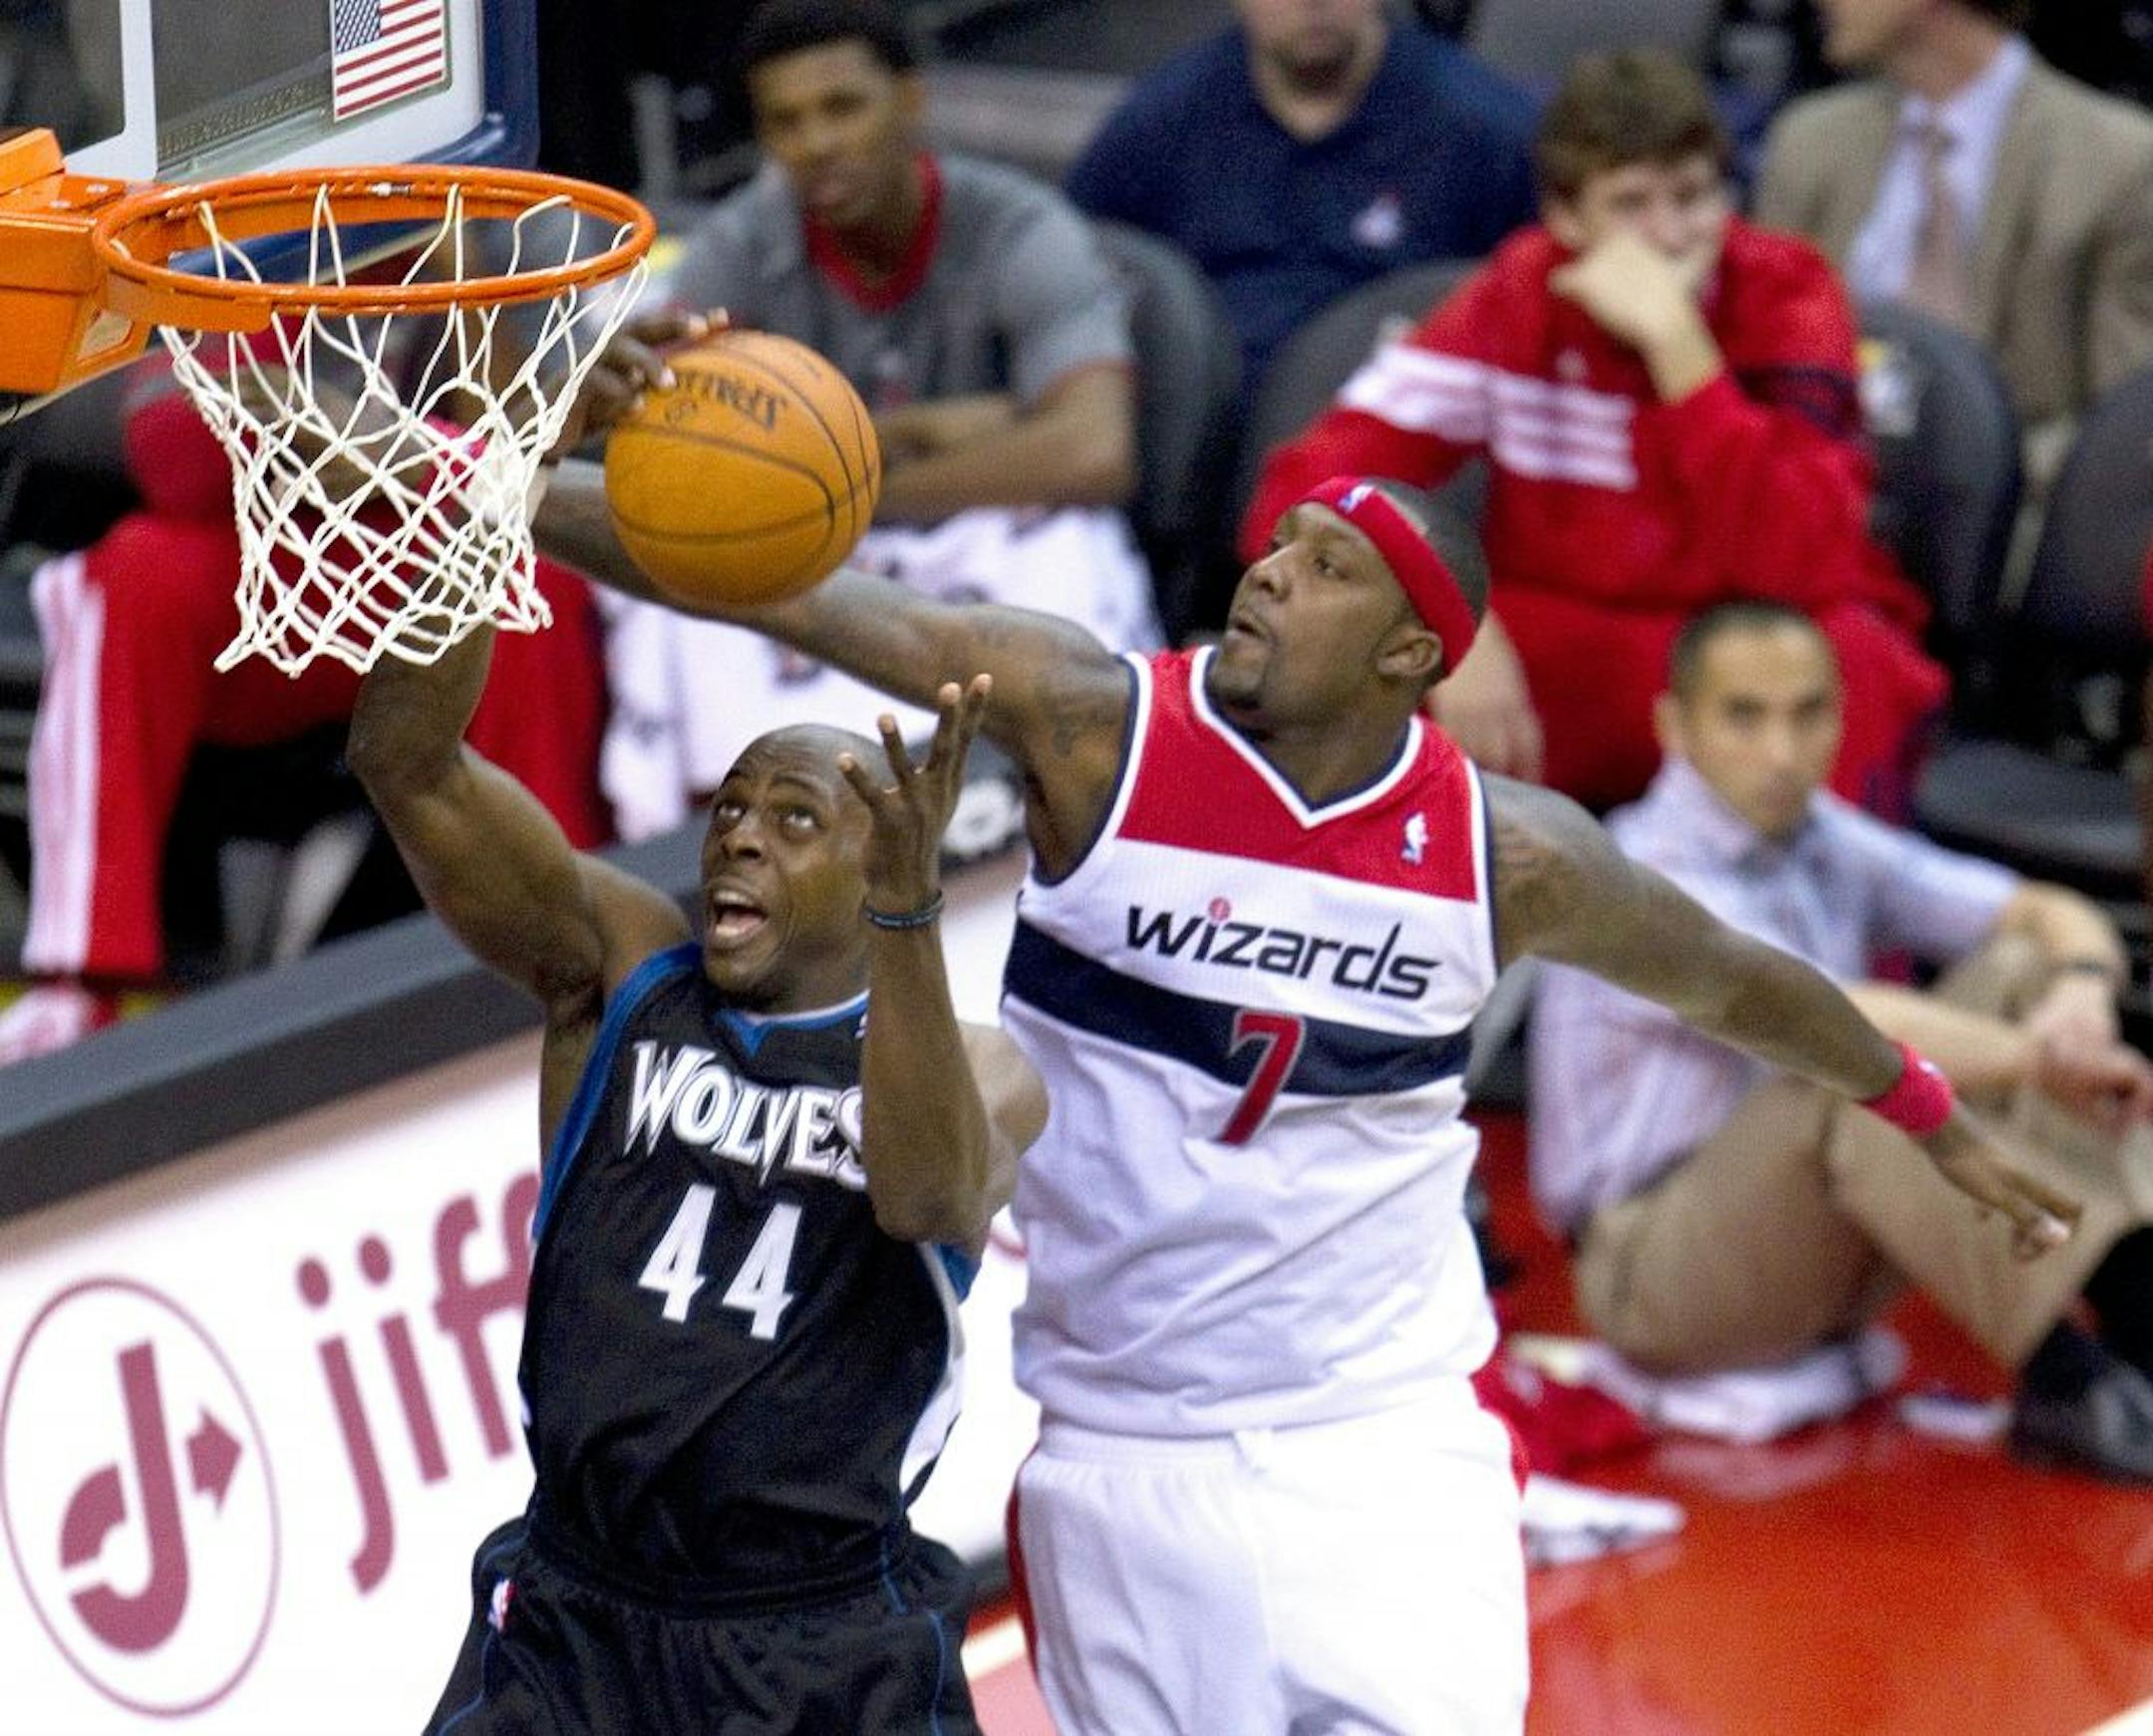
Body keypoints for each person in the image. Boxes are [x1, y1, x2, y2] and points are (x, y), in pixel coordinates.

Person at [535, 324, 2075, 1725]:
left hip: (1379, 1445)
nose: (1271, 571)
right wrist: (525, 483)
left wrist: (1929, 1111)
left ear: (1416, 654)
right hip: (1123, 1448)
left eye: (1330, 564)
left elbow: (1736, 979)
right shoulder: (1097, 723)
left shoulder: (1505, 851)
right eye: (1277, 546)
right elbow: (789, 583)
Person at [346, 604, 1046, 1730]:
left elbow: (925, 1191)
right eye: (731, 809)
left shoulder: (982, 1069)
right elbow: (407, 764)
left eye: (795, 816)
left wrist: (906, 906)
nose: (740, 836)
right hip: (577, 1610)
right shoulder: (621, 976)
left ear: (876, 861)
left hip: (814, 1640)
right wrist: (487, 501)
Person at [1529, 601, 2153, 1479]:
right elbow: (1840, 1025)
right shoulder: (1639, 877)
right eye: (1745, 716)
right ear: (1675, 726)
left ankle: (2136, 1294)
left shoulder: (1818, 835)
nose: (1781, 752)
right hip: (1653, 1279)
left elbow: (2045, 912)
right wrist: (2045, 1060)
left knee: (2020, 968)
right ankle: (2063, 1375)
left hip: (1797, 1236)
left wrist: (2081, 997)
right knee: (1856, 1078)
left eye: (1807, 712)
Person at [1241, 48, 1946, 817]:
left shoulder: (1789, 292)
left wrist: (1681, 352)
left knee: (1841, 662)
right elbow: (1305, 492)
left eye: (1694, 196)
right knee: (1371, 651)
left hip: (1750, 630)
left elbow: (1803, 558)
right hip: (1573, 638)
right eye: (1633, 204)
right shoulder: (1520, 294)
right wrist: (1452, 620)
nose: (1673, 236)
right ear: (1567, 218)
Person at [601, 0, 1159, 842]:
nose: (816, 143)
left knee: (1073, 554)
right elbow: (650, 429)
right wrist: (923, 434)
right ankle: (688, 843)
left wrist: (837, 484)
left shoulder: (1020, 227)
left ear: (909, 100)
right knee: (655, 579)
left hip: (970, 539)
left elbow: (1092, 449)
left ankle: (1082, 819)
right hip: (826, 544)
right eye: (785, 121)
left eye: (842, 107)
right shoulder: (742, 241)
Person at [0, 350, 612, 1065]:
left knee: (530, 576)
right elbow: (178, 469)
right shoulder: (254, 249)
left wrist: (460, 337)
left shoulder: (497, 251)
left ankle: (569, 942)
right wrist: (339, 437)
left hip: (417, 557)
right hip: (256, 570)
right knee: (128, 578)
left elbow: (528, 477)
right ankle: (78, 979)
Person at [1754, 0, 2153, 485]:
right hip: (1815, 492)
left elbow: (2128, 426)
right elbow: (1761, 366)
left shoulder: (2119, 162)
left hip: (2011, 515)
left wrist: (1961, 474)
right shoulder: (1809, 140)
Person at [1065, 0, 1537, 405]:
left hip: (1402, 438)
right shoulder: (1161, 121)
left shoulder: (1486, 128)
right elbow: (1069, 282)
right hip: (1212, 446)